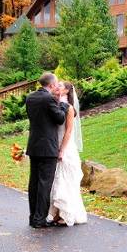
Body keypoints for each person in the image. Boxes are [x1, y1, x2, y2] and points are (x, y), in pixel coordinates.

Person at [25, 72, 69, 228]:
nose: (57, 86)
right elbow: (59, 118)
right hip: (47, 147)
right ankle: (39, 219)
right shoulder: (49, 98)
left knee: (34, 183)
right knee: (44, 184)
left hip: (34, 145)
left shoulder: (30, 97)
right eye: (56, 84)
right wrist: (63, 103)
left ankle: (32, 217)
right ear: (50, 85)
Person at [46, 81, 88, 226]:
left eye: (60, 86)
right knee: (55, 180)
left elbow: (69, 131)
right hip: (54, 143)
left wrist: (62, 149)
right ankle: (57, 213)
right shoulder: (55, 105)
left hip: (65, 146)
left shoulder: (69, 108)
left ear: (66, 91)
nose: (57, 87)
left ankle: (67, 213)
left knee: (64, 179)